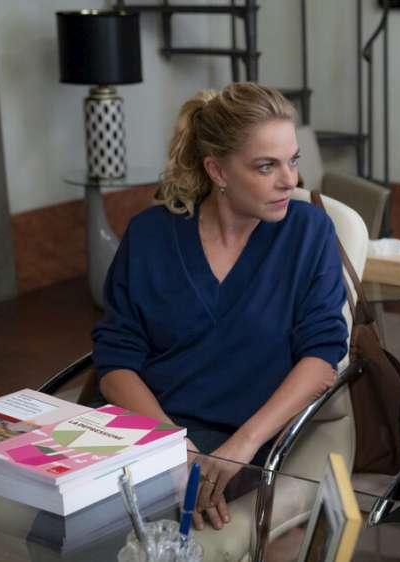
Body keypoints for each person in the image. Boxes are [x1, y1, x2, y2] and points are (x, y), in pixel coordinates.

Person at [92, 83, 347, 531]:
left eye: (293, 160)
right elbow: (115, 360)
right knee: (69, 523)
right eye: (266, 166)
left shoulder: (308, 232)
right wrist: (172, 445)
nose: (290, 180)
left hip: (246, 438)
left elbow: (322, 357)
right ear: (217, 170)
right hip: (147, 428)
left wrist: (240, 448)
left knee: (141, 537)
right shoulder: (150, 235)